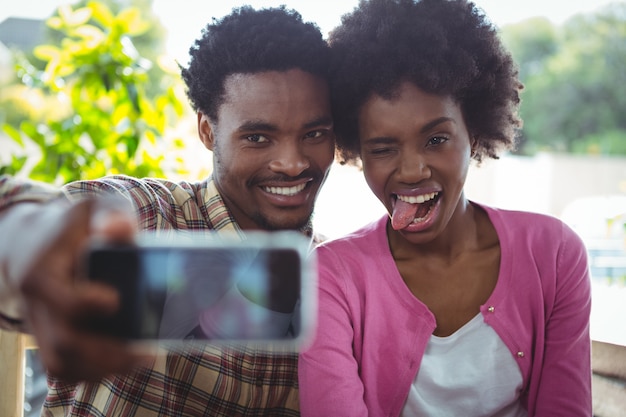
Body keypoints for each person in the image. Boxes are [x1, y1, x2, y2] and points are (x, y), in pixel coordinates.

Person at [0, 5, 334, 416]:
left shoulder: (337, 279)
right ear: (207, 131)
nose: (293, 162)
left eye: (315, 133)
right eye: (259, 137)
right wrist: (29, 236)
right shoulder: (147, 221)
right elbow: (39, 223)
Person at [298, 0, 592, 416]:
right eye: (383, 148)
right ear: (358, 151)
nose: (413, 170)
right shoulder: (331, 277)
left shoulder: (554, 254)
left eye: (436, 139)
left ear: (473, 131)